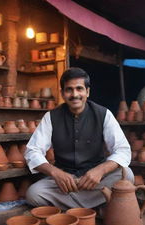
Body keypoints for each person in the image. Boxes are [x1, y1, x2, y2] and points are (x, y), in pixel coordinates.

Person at [24, 67, 134, 210]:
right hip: (65, 182)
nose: (75, 94)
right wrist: (55, 173)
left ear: (87, 92)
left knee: (127, 175)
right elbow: (32, 151)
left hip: (95, 180)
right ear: (63, 93)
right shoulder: (51, 117)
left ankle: (71, 208)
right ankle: (97, 205)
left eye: (79, 89)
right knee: (34, 194)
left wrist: (100, 171)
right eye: (69, 90)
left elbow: (123, 150)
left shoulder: (103, 114)